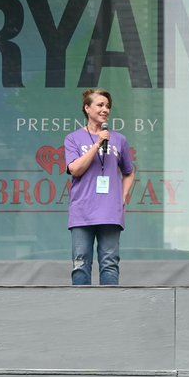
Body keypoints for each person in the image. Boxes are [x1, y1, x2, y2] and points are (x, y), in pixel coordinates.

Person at [64, 88, 135, 285]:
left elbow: (129, 172)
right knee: (80, 262)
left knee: (110, 263)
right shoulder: (73, 138)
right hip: (82, 209)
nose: (105, 110)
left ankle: (109, 310)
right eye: (100, 105)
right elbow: (75, 169)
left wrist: (122, 196)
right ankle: (81, 310)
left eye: (108, 106)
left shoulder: (119, 139)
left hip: (110, 210)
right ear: (87, 108)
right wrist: (97, 144)